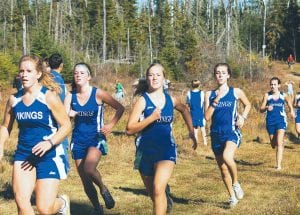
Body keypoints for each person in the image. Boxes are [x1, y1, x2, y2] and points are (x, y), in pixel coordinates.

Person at [0, 55, 72, 215]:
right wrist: (0, 146)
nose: (24, 74)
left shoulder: (48, 96)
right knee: (22, 202)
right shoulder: (14, 100)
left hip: (49, 155)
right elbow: (5, 127)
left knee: (44, 209)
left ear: (38, 74)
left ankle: (62, 203)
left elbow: (67, 126)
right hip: (24, 155)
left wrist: (50, 143)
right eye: (21, 71)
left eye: (28, 71)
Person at [126, 63, 197, 215]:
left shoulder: (171, 100)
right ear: (147, 78)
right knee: (154, 194)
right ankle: (166, 199)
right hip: (144, 150)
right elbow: (129, 129)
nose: (154, 78)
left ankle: (163, 193)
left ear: (164, 78)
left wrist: (191, 130)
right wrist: (150, 118)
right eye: (151, 75)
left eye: (158, 74)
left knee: (158, 189)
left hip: (166, 149)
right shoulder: (142, 101)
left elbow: (184, 109)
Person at [64, 63, 125, 214]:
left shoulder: (98, 93)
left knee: (89, 169)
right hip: (77, 140)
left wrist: (111, 124)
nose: (78, 75)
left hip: (96, 138)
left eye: (82, 73)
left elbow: (120, 108)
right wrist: (69, 116)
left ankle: (103, 189)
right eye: (76, 73)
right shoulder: (70, 96)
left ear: (89, 76)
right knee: (85, 179)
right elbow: (64, 123)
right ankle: (97, 208)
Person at [204, 63, 251, 208]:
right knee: (223, 169)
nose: (220, 75)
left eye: (223, 73)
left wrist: (242, 117)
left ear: (228, 75)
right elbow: (206, 117)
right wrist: (216, 100)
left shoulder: (235, 92)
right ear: (215, 75)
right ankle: (232, 197)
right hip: (216, 134)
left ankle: (236, 183)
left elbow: (248, 104)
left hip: (231, 132)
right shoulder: (209, 94)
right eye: (217, 73)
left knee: (227, 157)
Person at [260, 77, 295, 171]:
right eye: (271, 84)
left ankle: (278, 165)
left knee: (279, 142)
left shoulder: (284, 95)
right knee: (273, 144)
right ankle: (277, 143)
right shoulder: (267, 95)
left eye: (275, 84)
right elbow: (261, 109)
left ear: (279, 85)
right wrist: (267, 107)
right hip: (270, 122)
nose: (273, 86)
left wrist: (292, 111)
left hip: (281, 121)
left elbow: (290, 104)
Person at [48, 53, 70, 172]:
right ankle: (63, 168)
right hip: (58, 115)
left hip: (49, 115)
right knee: (61, 140)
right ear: (61, 65)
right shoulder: (58, 79)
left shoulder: (46, 77)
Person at [186, 79, 207, 146]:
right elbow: (204, 102)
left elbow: (188, 103)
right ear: (199, 85)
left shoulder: (189, 93)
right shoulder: (202, 93)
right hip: (200, 112)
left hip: (192, 112)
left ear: (192, 85)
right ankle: (205, 142)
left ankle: (196, 141)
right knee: (202, 127)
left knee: (195, 128)